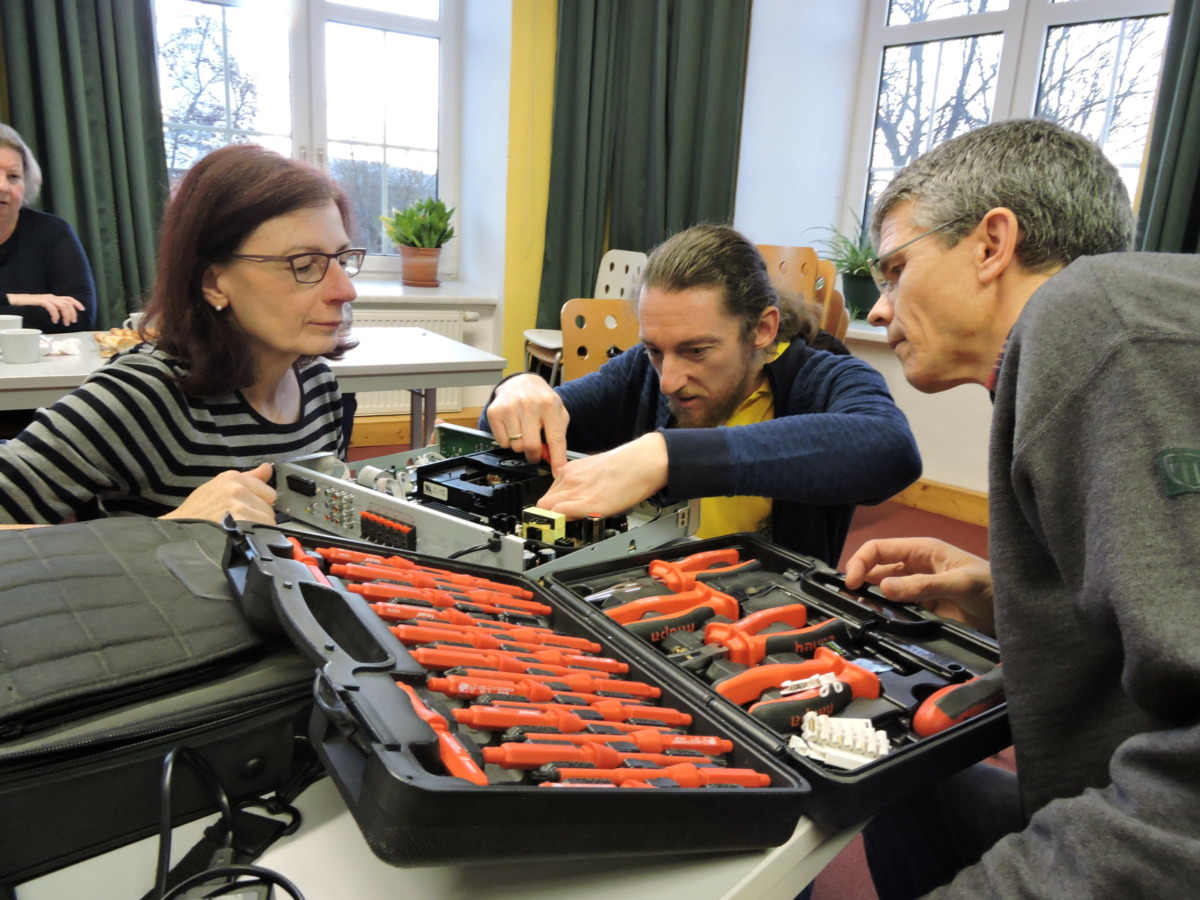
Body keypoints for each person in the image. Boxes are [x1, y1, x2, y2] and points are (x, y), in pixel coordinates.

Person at [840, 118, 1200, 897]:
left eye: (896, 269)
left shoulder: (1093, 320)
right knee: (900, 782)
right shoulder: (1119, 334)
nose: (880, 308)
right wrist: (1012, 602)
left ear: (992, 245)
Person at [482, 224, 921, 566]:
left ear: (762, 329)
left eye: (697, 351)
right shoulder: (642, 371)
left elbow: (890, 450)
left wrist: (667, 456)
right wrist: (518, 388)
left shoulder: (824, 378)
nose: (669, 380)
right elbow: (508, 429)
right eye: (656, 350)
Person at [0, 143, 362, 525]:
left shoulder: (318, 385)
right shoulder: (146, 397)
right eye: (304, 265)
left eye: (342, 260)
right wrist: (171, 533)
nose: (346, 291)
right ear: (214, 283)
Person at [0, 123, 96, 331]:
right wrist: (17, 299)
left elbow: (79, 315)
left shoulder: (52, 231)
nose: (3, 186)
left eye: (13, 177)